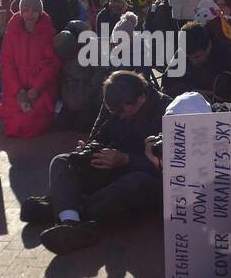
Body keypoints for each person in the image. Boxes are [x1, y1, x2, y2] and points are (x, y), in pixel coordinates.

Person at [21, 70, 168, 255]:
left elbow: (170, 166)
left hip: (140, 174)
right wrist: (89, 148)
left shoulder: (166, 111)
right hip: (108, 166)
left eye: (123, 112)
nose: (119, 116)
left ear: (140, 99)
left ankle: (65, 209)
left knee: (136, 184)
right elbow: (97, 134)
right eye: (113, 111)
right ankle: (71, 224)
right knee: (62, 162)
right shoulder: (113, 105)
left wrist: (126, 159)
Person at [0, 0, 60, 138]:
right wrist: (18, 91)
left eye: (34, 10)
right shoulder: (11, 34)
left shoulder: (48, 34)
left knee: (32, 122)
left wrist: (36, 89)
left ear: (39, 12)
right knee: (14, 122)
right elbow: (7, 63)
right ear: (20, 12)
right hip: (16, 89)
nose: (30, 14)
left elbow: (51, 65)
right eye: (25, 10)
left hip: (39, 89)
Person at [163, 19, 231, 98]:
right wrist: (191, 92)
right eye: (188, 57)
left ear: (209, 46)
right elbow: (166, 87)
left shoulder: (228, 55)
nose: (193, 62)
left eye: (197, 56)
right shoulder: (182, 53)